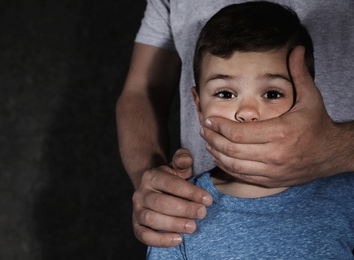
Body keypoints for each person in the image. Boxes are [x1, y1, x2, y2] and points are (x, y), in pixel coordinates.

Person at [116, 0, 354, 247]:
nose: (248, 112)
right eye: (226, 94)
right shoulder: (184, 221)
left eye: (272, 93)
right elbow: (142, 90)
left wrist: (339, 147)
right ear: (198, 104)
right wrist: (158, 188)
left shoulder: (344, 203)